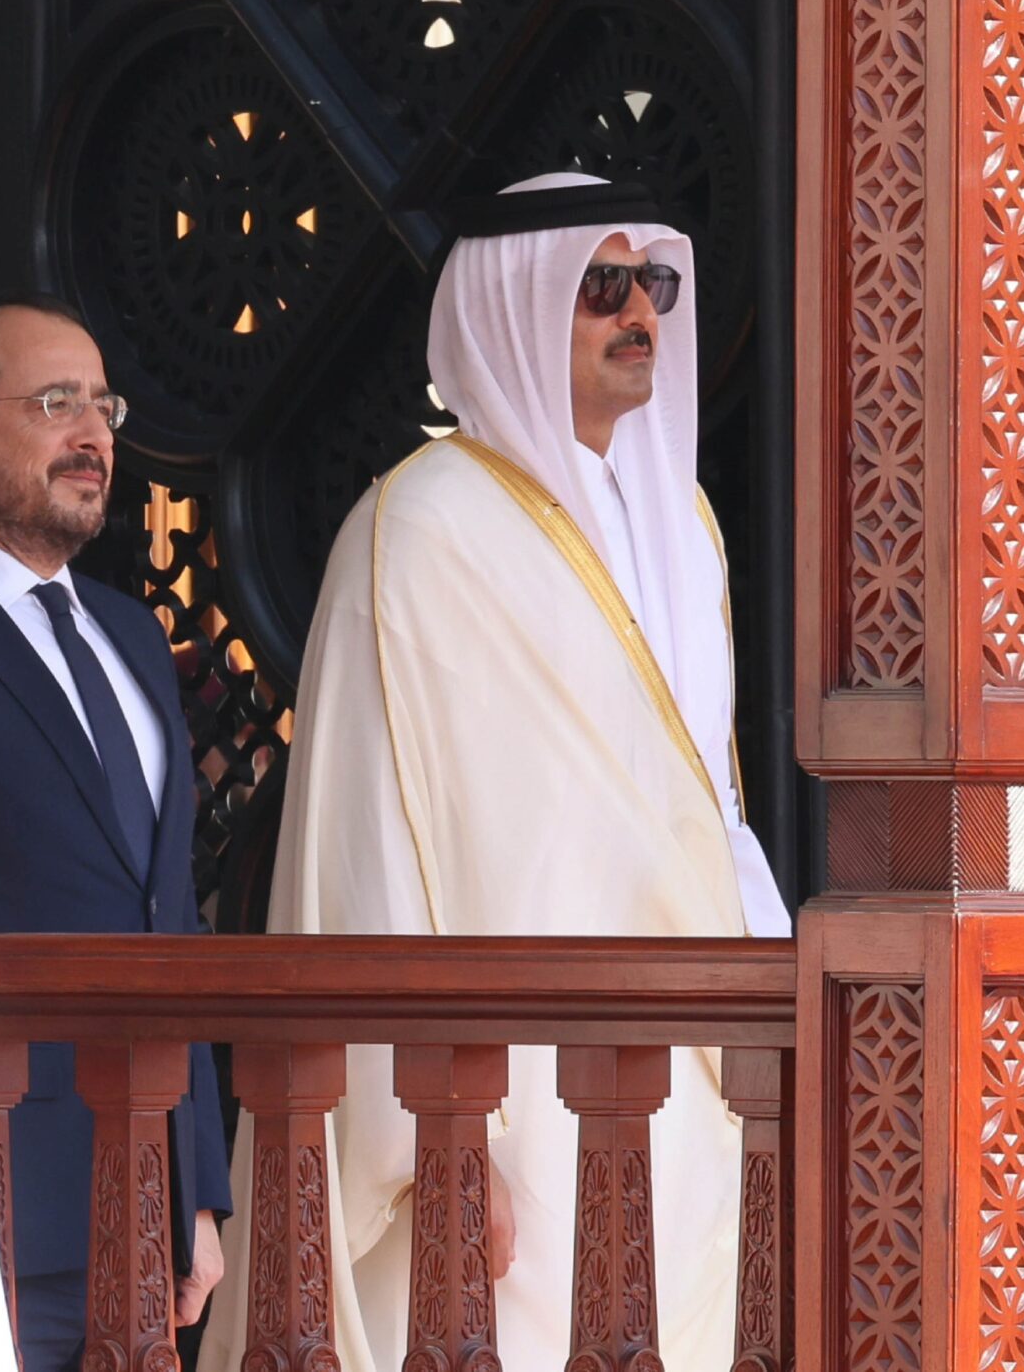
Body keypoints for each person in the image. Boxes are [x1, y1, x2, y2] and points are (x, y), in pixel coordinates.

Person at [198, 173, 793, 1372]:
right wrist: (435, 1140)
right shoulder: (416, 529)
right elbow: (370, 849)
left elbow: (711, 804)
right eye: (600, 288)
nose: (638, 313)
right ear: (513, 305)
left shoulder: (684, 524)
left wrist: (778, 1014)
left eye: (652, 284)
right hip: (497, 1090)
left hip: (685, 1060)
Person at [0, 294, 230, 1372]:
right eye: (52, 403)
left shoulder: (130, 632)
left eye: (102, 406)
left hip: (145, 1200)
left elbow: (167, 918)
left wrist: (198, 1189)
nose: (94, 436)